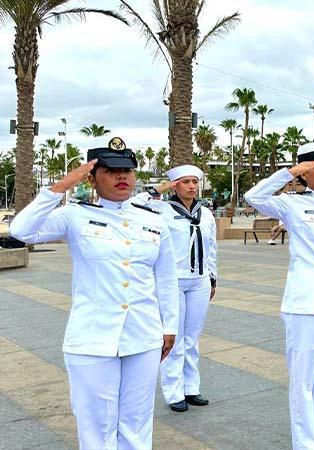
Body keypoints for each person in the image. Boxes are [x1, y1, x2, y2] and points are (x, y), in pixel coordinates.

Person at [10, 138, 179, 449]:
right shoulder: (74, 216)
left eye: (127, 171)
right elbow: (21, 230)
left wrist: (169, 326)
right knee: (96, 427)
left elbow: (166, 278)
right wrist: (63, 185)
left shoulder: (153, 220)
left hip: (143, 334)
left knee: (137, 423)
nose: (122, 176)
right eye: (111, 171)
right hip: (92, 338)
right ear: (91, 177)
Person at [244, 141, 314, 450]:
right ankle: (306, 444)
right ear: (305, 172)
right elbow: (254, 197)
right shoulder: (290, 204)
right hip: (306, 300)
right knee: (303, 379)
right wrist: (290, 172)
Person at [133, 165, 218, 412]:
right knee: (174, 338)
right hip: (174, 281)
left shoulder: (206, 214)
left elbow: (211, 247)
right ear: (174, 185)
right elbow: (134, 204)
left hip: (199, 280)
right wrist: (157, 190)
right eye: (185, 181)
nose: (191, 186)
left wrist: (212, 277)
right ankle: (174, 392)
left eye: (195, 181)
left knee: (192, 338)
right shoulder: (161, 210)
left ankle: (191, 388)